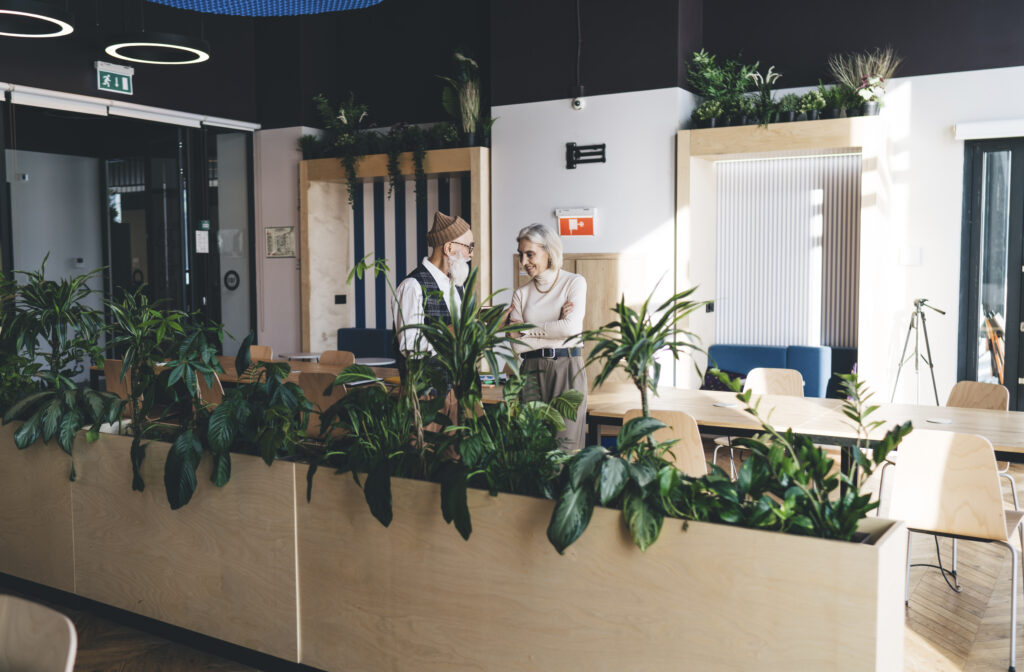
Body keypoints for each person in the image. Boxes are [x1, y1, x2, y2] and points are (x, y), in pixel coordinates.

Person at [508, 223, 587, 452]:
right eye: (521, 254)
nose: (524, 262)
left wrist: (526, 330)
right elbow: (516, 346)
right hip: (530, 371)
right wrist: (555, 328)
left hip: (567, 367)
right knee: (532, 449)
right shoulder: (521, 294)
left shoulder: (574, 283)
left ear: (549, 252)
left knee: (565, 448)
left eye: (530, 254)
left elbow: (570, 328)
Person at [392, 210, 474, 378]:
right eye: (469, 247)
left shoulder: (458, 285)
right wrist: (448, 333)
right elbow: (409, 347)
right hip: (427, 388)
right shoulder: (412, 286)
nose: (471, 254)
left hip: (460, 385)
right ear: (449, 248)